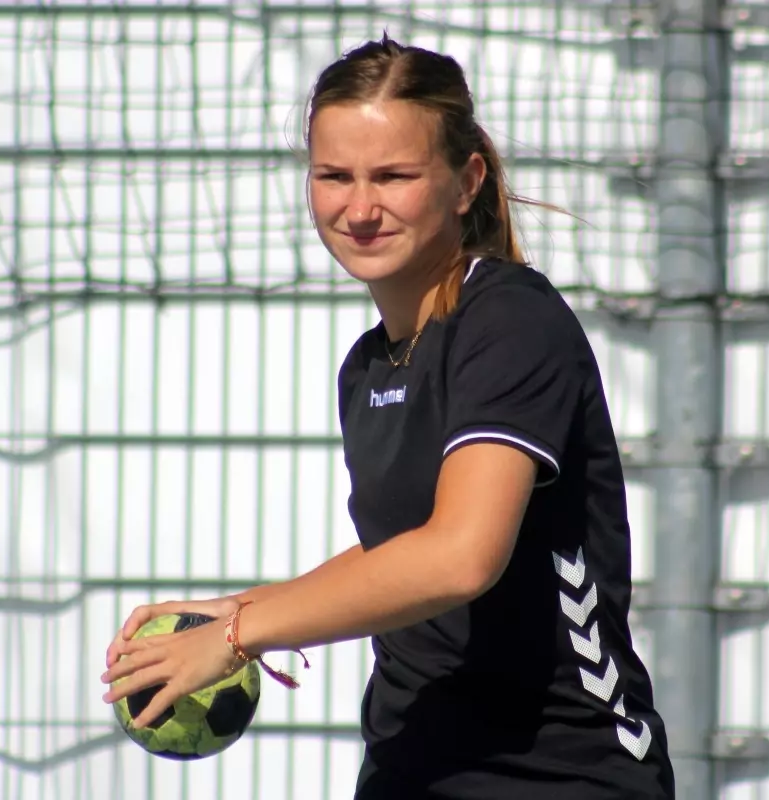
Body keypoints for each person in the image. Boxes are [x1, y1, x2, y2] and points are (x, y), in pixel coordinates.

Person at [101, 34, 676, 800]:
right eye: (334, 176)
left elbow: (459, 557)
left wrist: (241, 636)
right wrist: (236, 609)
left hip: (560, 772)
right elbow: (399, 552)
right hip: (411, 766)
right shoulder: (369, 365)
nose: (360, 208)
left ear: (466, 181)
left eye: (394, 176)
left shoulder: (511, 322)